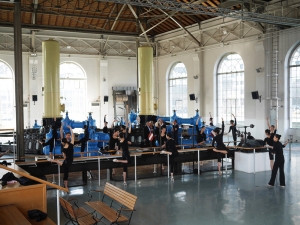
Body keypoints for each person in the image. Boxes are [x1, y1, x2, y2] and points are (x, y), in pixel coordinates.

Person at [47, 124, 74, 189]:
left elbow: (64, 157)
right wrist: (70, 128)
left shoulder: (64, 149)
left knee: (60, 164)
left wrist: (62, 127)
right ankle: (66, 186)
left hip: (67, 161)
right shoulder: (71, 144)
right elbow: (72, 136)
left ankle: (51, 160)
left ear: (63, 142)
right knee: (61, 164)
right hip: (70, 160)